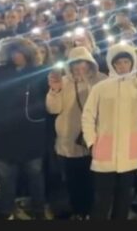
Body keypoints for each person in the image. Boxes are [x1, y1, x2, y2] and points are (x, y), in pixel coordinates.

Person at [81, 43, 137, 220]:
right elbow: (88, 116)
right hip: (105, 151)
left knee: (123, 201)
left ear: (132, 63)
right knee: (102, 201)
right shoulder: (101, 87)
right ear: (112, 64)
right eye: (119, 63)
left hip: (130, 152)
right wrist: (92, 142)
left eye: (126, 61)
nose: (123, 66)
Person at [0, 37, 49, 219]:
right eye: (13, 52)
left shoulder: (40, 72)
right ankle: (6, 209)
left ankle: (39, 208)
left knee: (35, 175)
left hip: (32, 132)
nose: (17, 56)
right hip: (5, 132)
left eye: (20, 52)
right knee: (6, 176)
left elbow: (49, 102)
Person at [47, 46, 107, 220]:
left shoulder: (101, 80)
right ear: (70, 66)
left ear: (90, 64)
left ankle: (89, 210)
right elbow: (53, 109)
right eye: (76, 65)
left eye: (84, 64)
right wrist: (55, 90)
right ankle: (78, 210)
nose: (80, 68)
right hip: (69, 139)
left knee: (91, 179)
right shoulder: (63, 82)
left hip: (93, 137)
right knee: (73, 179)